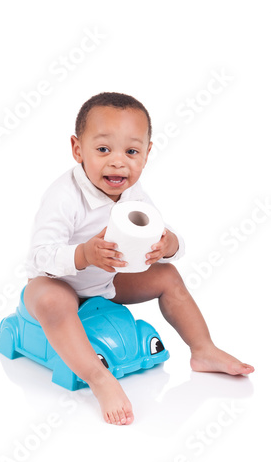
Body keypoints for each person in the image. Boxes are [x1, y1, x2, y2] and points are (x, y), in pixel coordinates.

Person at [24, 92, 254, 426]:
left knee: (169, 275)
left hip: (105, 282)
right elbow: (40, 255)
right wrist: (84, 254)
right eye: (103, 150)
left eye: (131, 151)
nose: (118, 162)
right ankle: (99, 378)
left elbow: (160, 231)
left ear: (147, 154)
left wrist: (168, 244)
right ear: (78, 150)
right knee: (51, 300)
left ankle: (203, 349)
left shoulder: (134, 193)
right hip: (56, 281)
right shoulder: (63, 196)